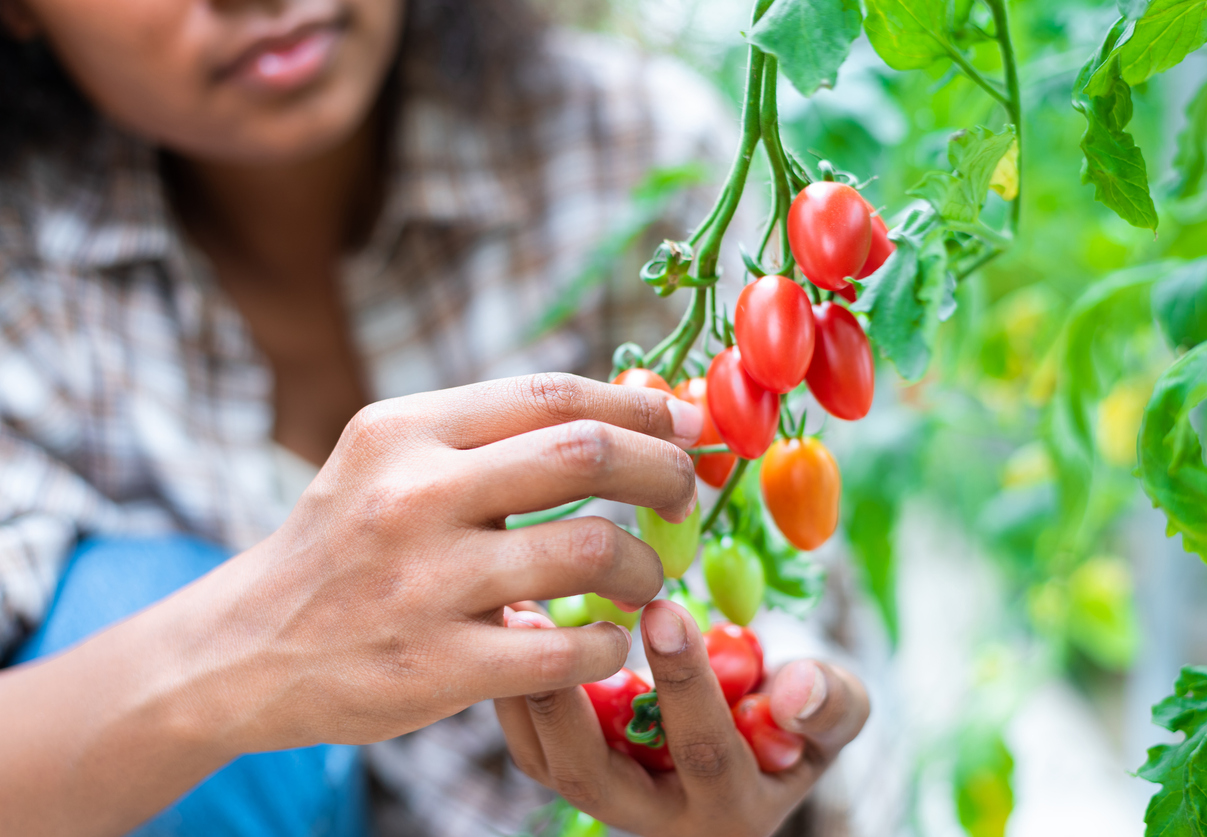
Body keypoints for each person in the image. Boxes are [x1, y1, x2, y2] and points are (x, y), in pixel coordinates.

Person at [0, 0, 870, 835]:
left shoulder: (629, 148)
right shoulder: (21, 278)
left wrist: (756, 768)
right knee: (121, 602)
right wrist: (241, 652)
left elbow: (789, 607)